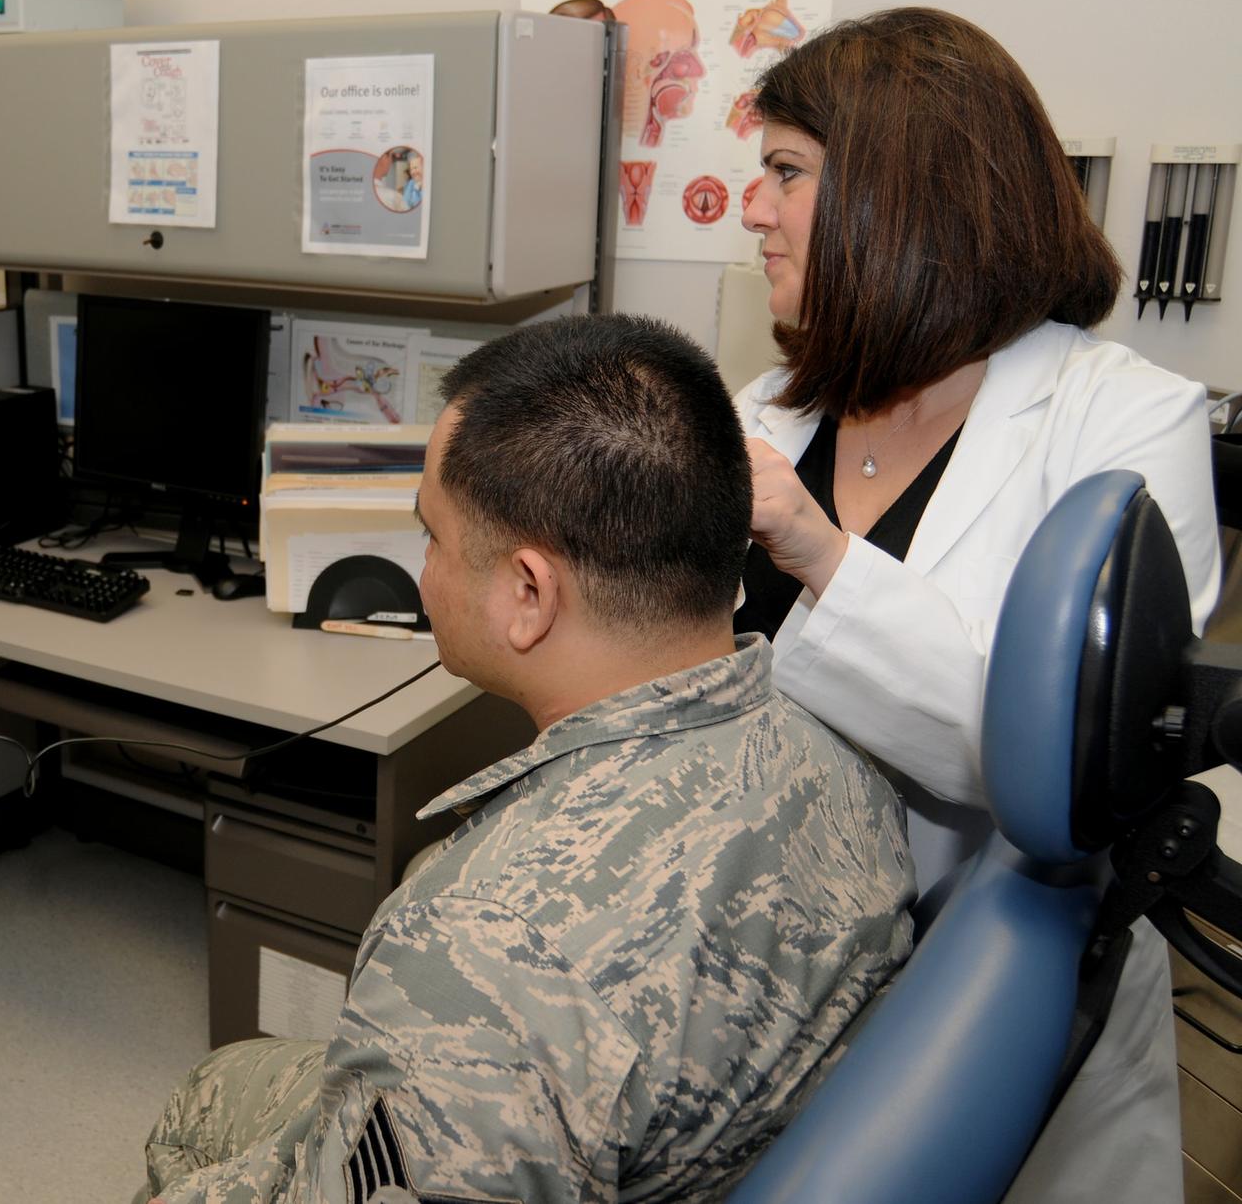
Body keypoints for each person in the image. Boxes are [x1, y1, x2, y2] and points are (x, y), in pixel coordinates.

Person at [137, 314, 915, 1203]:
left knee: (193, 1125)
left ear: (528, 593)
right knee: (224, 1079)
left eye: (431, 536)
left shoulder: (480, 952)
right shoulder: (842, 757)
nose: (422, 573)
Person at [733, 7, 1220, 1202]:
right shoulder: (771, 410)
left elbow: (1057, 765)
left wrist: (814, 547)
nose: (751, 210)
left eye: (785, 173)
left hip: (983, 990)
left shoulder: (1126, 426)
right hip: (759, 969)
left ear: (903, 197)